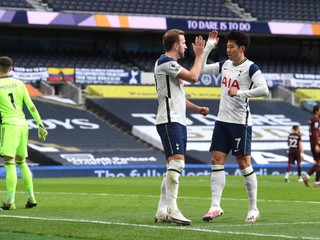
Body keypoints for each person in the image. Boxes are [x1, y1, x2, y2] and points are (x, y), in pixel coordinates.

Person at [200, 30, 269, 222]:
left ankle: (253, 209)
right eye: (227, 46)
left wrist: (239, 93)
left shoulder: (251, 68)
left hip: (240, 123)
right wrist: (208, 46)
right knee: (216, 160)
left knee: (243, 163)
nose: (228, 50)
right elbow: (202, 69)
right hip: (222, 121)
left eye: (231, 47)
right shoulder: (225, 65)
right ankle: (215, 206)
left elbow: (264, 89)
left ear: (242, 48)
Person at [154, 29, 209, 225]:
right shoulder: (165, 62)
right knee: (177, 164)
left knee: (173, 166)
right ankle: (173, 210)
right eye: (184, 42)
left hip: (177, 120)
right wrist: (200, 55)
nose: (187, 46)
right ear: (176, 45)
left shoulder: (171, 65)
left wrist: (197, 108)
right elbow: (194, 76)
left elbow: (179, 96)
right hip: (170, 120)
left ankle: (162, 211)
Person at [0, 56, 48, 210]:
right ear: (10, 68)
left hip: (8, 125)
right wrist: (40, 124)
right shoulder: (19, 83)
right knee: (22, 162)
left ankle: (10, 202)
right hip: (22, 124)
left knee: (9, 163)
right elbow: (31, 106)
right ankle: (31, 198)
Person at [303, 104, 320, 188]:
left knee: (317, 163)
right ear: (317, 111)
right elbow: (315, 132)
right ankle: (317, 183)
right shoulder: (316, 119)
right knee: (319, 163)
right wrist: (317, 144)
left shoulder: (312, 119)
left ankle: (307, 177)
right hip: (316, 143)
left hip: (312, 142)